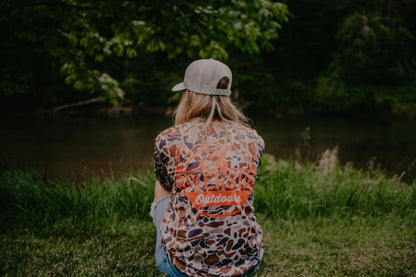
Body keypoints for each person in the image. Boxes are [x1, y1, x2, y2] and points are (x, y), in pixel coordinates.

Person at [151, 58, 265, 277]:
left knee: (162, 186)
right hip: (244, 267)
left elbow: (167, 185)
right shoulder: (253, 139)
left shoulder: (168, 139)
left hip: (182, 269)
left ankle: (178, 244)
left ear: (189, 96)